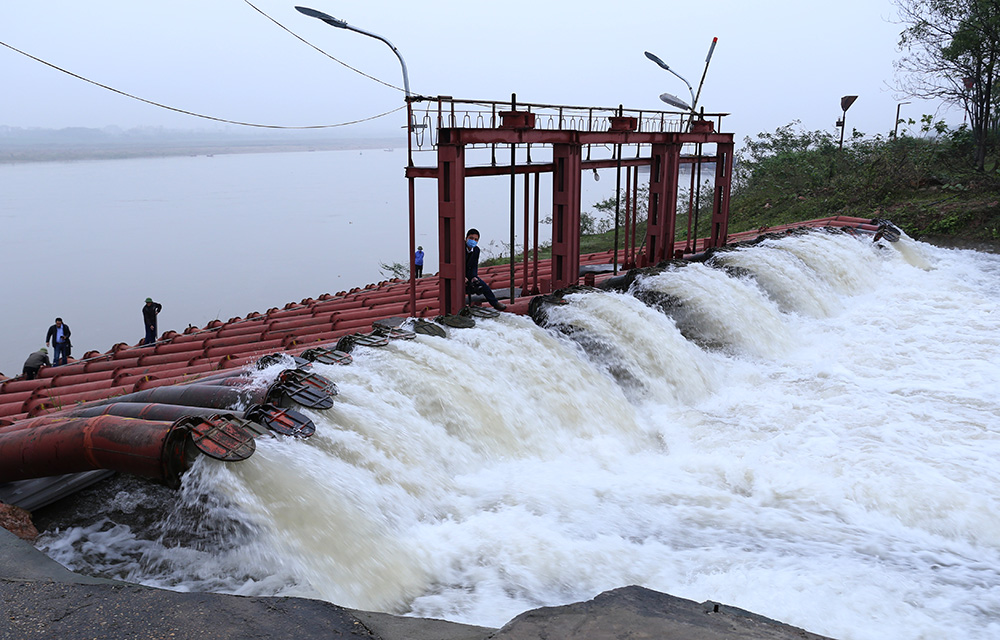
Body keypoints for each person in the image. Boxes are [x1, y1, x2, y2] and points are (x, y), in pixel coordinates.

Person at [465, 228, 506, 311]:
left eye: (476, 239)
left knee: (484, 286)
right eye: (471, 238)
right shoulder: (459, 249)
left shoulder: (476, 250)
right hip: (458, 274)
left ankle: (495, 303)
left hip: (469, 273)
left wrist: (474, 277)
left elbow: (474, 265)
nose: (473, 241)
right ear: (466, 238)